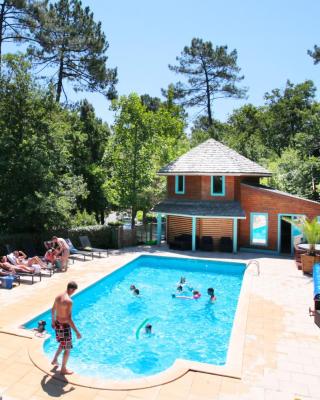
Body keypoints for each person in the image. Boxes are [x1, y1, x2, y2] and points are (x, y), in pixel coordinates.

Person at [51, 281, 81, 375]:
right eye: (74, 291)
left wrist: (53, 321)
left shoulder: (58, 296)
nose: (74, 293)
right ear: (71, 289)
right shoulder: (68, 301)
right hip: (64, 327)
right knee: (67, 349)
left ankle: (55, 359)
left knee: (62, 343)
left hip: (57, 324)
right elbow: (69, 318)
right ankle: (63, 369)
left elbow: (53, 310)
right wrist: (77, 332)